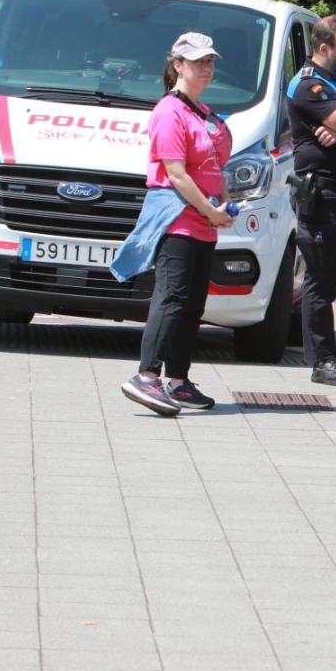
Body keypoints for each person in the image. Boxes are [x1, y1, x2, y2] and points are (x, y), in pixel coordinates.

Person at [115, 32, 234, 417]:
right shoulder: (169, 111)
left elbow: (217, 165)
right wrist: (211, 210)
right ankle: (146, 375)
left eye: (210, 61)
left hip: (205, 221)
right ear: (177, 65)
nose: (207, 67)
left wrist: (224, 200)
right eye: (199, 61)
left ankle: (178, 381)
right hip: (179, 219)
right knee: (172, 298)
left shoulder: (204, 111)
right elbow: (177, 174)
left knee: (192, 303)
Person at [286, 14, 336, 386]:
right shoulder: (308, 85)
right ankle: (323, 361)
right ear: (324, 48)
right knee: (322, 281)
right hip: (322, 193)